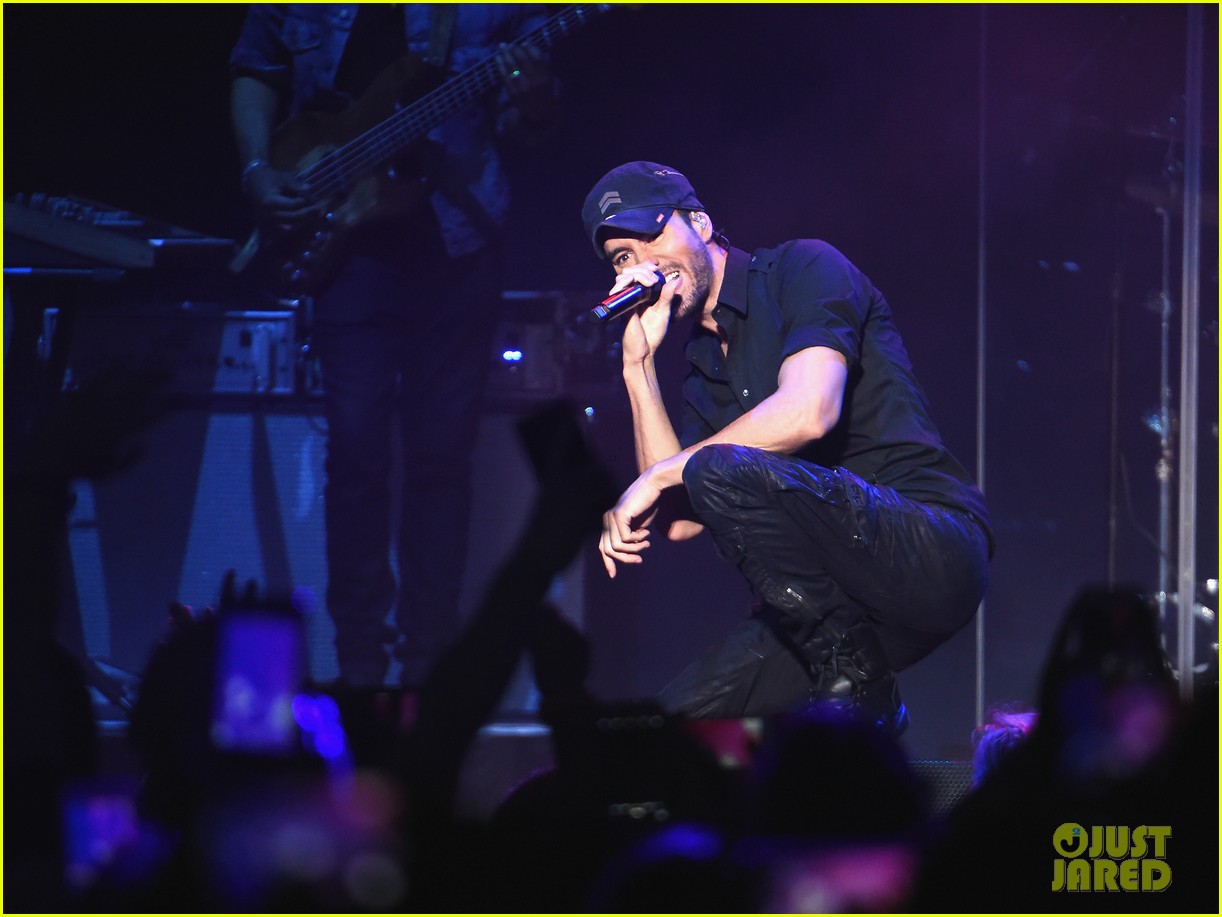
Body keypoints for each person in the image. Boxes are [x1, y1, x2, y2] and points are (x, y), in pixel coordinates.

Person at [582, 161, 993, 732]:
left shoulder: (804, 267)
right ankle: (854, 690)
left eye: (649, 237)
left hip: (927, 546)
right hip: (834, 610)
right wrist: (639, 367)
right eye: (622, 258)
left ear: (698, 223)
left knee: (716, 465)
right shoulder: (701, 367)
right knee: (654, 740)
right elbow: (677, 523)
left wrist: (658, 475)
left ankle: (864, 691)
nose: (639, 265)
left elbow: (809, 410)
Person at [229, 5, 559, 686]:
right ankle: (357, 662)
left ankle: (426, 666)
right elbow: (254, 69)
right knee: (356, 454)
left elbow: (529, 121)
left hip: (457, 244)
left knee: (441, 457)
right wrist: (258, 169)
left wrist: (534, 104)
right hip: (349, 251)